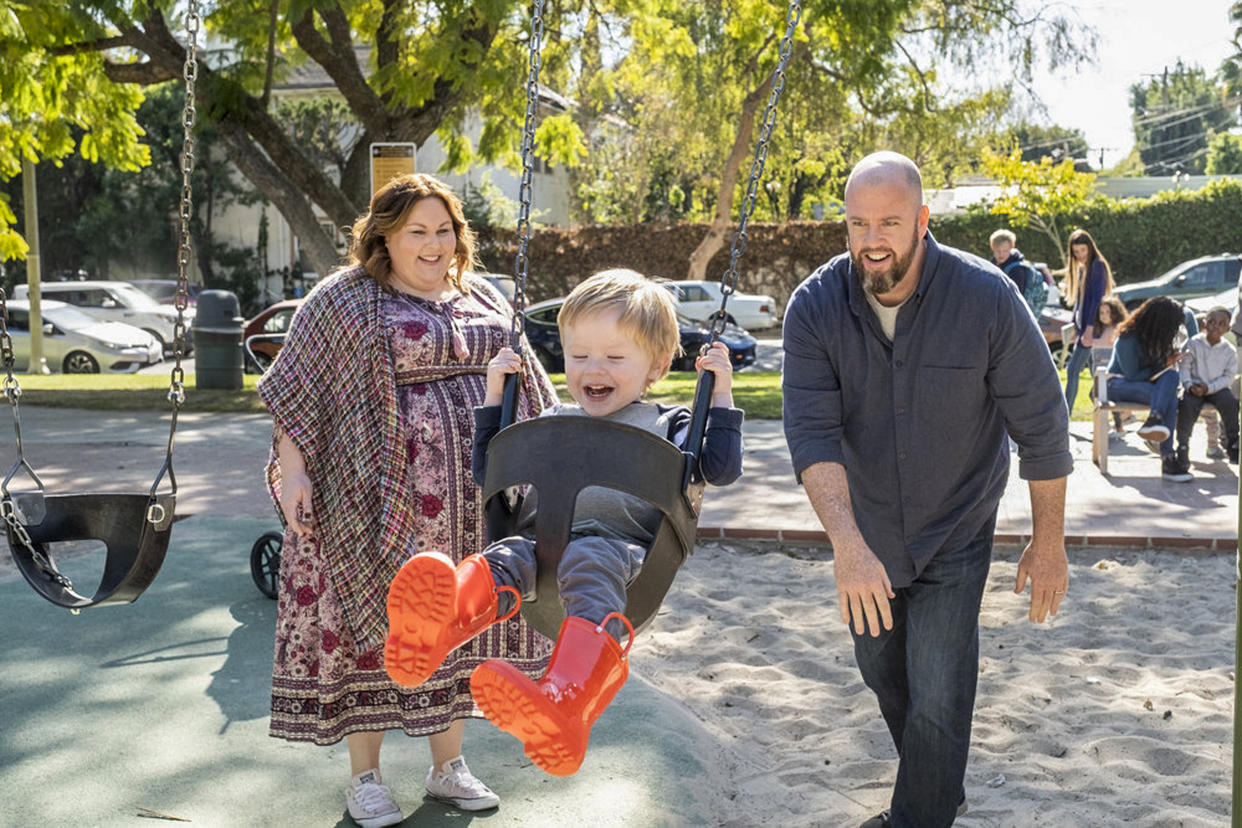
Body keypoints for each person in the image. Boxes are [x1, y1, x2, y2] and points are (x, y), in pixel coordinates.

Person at [781, 151, 1072, 828]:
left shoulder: (986, 297)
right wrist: (848, 546)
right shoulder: (815, 307)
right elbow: (813, 435)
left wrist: (1048, 539)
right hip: (869, 524)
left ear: (922, 220)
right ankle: (938, 784)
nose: (872, 240)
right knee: (882, 667)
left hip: (957, 520)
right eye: (857, 224)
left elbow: (1043, 423)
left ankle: (920, 813)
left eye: (889, 222)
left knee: (938, 683)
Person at [257, 173, 557, 827]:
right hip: (369, 506)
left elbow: (531, 387)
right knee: (376, 633)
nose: (433, 244)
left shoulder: (481, 293)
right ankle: (365, 780)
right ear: (384, 237)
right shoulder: (343, 299)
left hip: (469, 510)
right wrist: (295, 472)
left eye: (444, 229)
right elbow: (296, 393)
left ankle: (446, 768)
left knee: (451, 625)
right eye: (416, 231)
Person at [384, 268, 745, 777]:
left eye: (615, 358)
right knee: (501, 558)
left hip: (622, 560)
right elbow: (489, 470)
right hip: (538, 544)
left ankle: (566, 701)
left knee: (589, 556)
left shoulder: (671, 424)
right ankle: (440, 626)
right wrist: (495, 396)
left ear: (657, 366)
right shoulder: (555, 416)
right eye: (579, 356)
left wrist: (721, 393)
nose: (594, 369)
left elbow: (722, 468)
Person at [1105, 296, 1192, 482]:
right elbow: (1132, 375)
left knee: (1172, 376)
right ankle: (1168, 459)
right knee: (1168, 397)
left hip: (1147, 386)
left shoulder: (1155, 339)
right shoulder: (1127, 339)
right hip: (1116, 385)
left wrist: (1168, 363)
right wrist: (1163, 363)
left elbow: (1159, 374)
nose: (1173, 330)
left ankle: (1154, 420)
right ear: (1159, 322)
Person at [1176, 306, 1239, 464]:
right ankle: (1183, 446)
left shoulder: (1229, 351)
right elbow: (1184, 367)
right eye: (1211, 322)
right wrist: (1190, 385)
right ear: (1204, 323)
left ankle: (1233, 444)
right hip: (1195, 387)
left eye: (1221, 323)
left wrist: (1209, 388)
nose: (1215, 326)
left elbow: (1228, 377)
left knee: (1230, 402)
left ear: (1228, 328)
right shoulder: (1193, 343)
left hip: (1216, 388)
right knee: (1186, 404)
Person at [1062, 228, 1114, 413]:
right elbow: (1080, 303)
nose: (1080, 255)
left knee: (1072, 371)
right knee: (1096, 376)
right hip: (1084, 330)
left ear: (1090, 247)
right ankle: (1119, 417)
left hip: (1093, 330)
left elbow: (1097, 299)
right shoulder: (1083, 268)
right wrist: (1076, 327)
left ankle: (1065, 415)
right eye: (1076, 252)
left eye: (1083, 250)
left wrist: (1090, 329)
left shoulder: (1097, 266)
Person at [1086, 296, 1129, 439]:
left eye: (1107, 312)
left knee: (1095, 395)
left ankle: (1110, 424)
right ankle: (1117, 426)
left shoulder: (1115, 328)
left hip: (1110, 371)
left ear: (1115, 313)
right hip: (1103, 370)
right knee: (1104, 397)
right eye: (1101, 313)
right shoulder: (1104, 328)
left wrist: (1089, 341)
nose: (1104, 316)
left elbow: (1106, 343)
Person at [988, 228, 1047, 316]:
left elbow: (1015, 300)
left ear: (1012, 246)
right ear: (992, 246)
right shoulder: (992, 265)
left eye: (1005, 251)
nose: (1001, 255)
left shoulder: (1017, 270)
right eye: (998, 251)